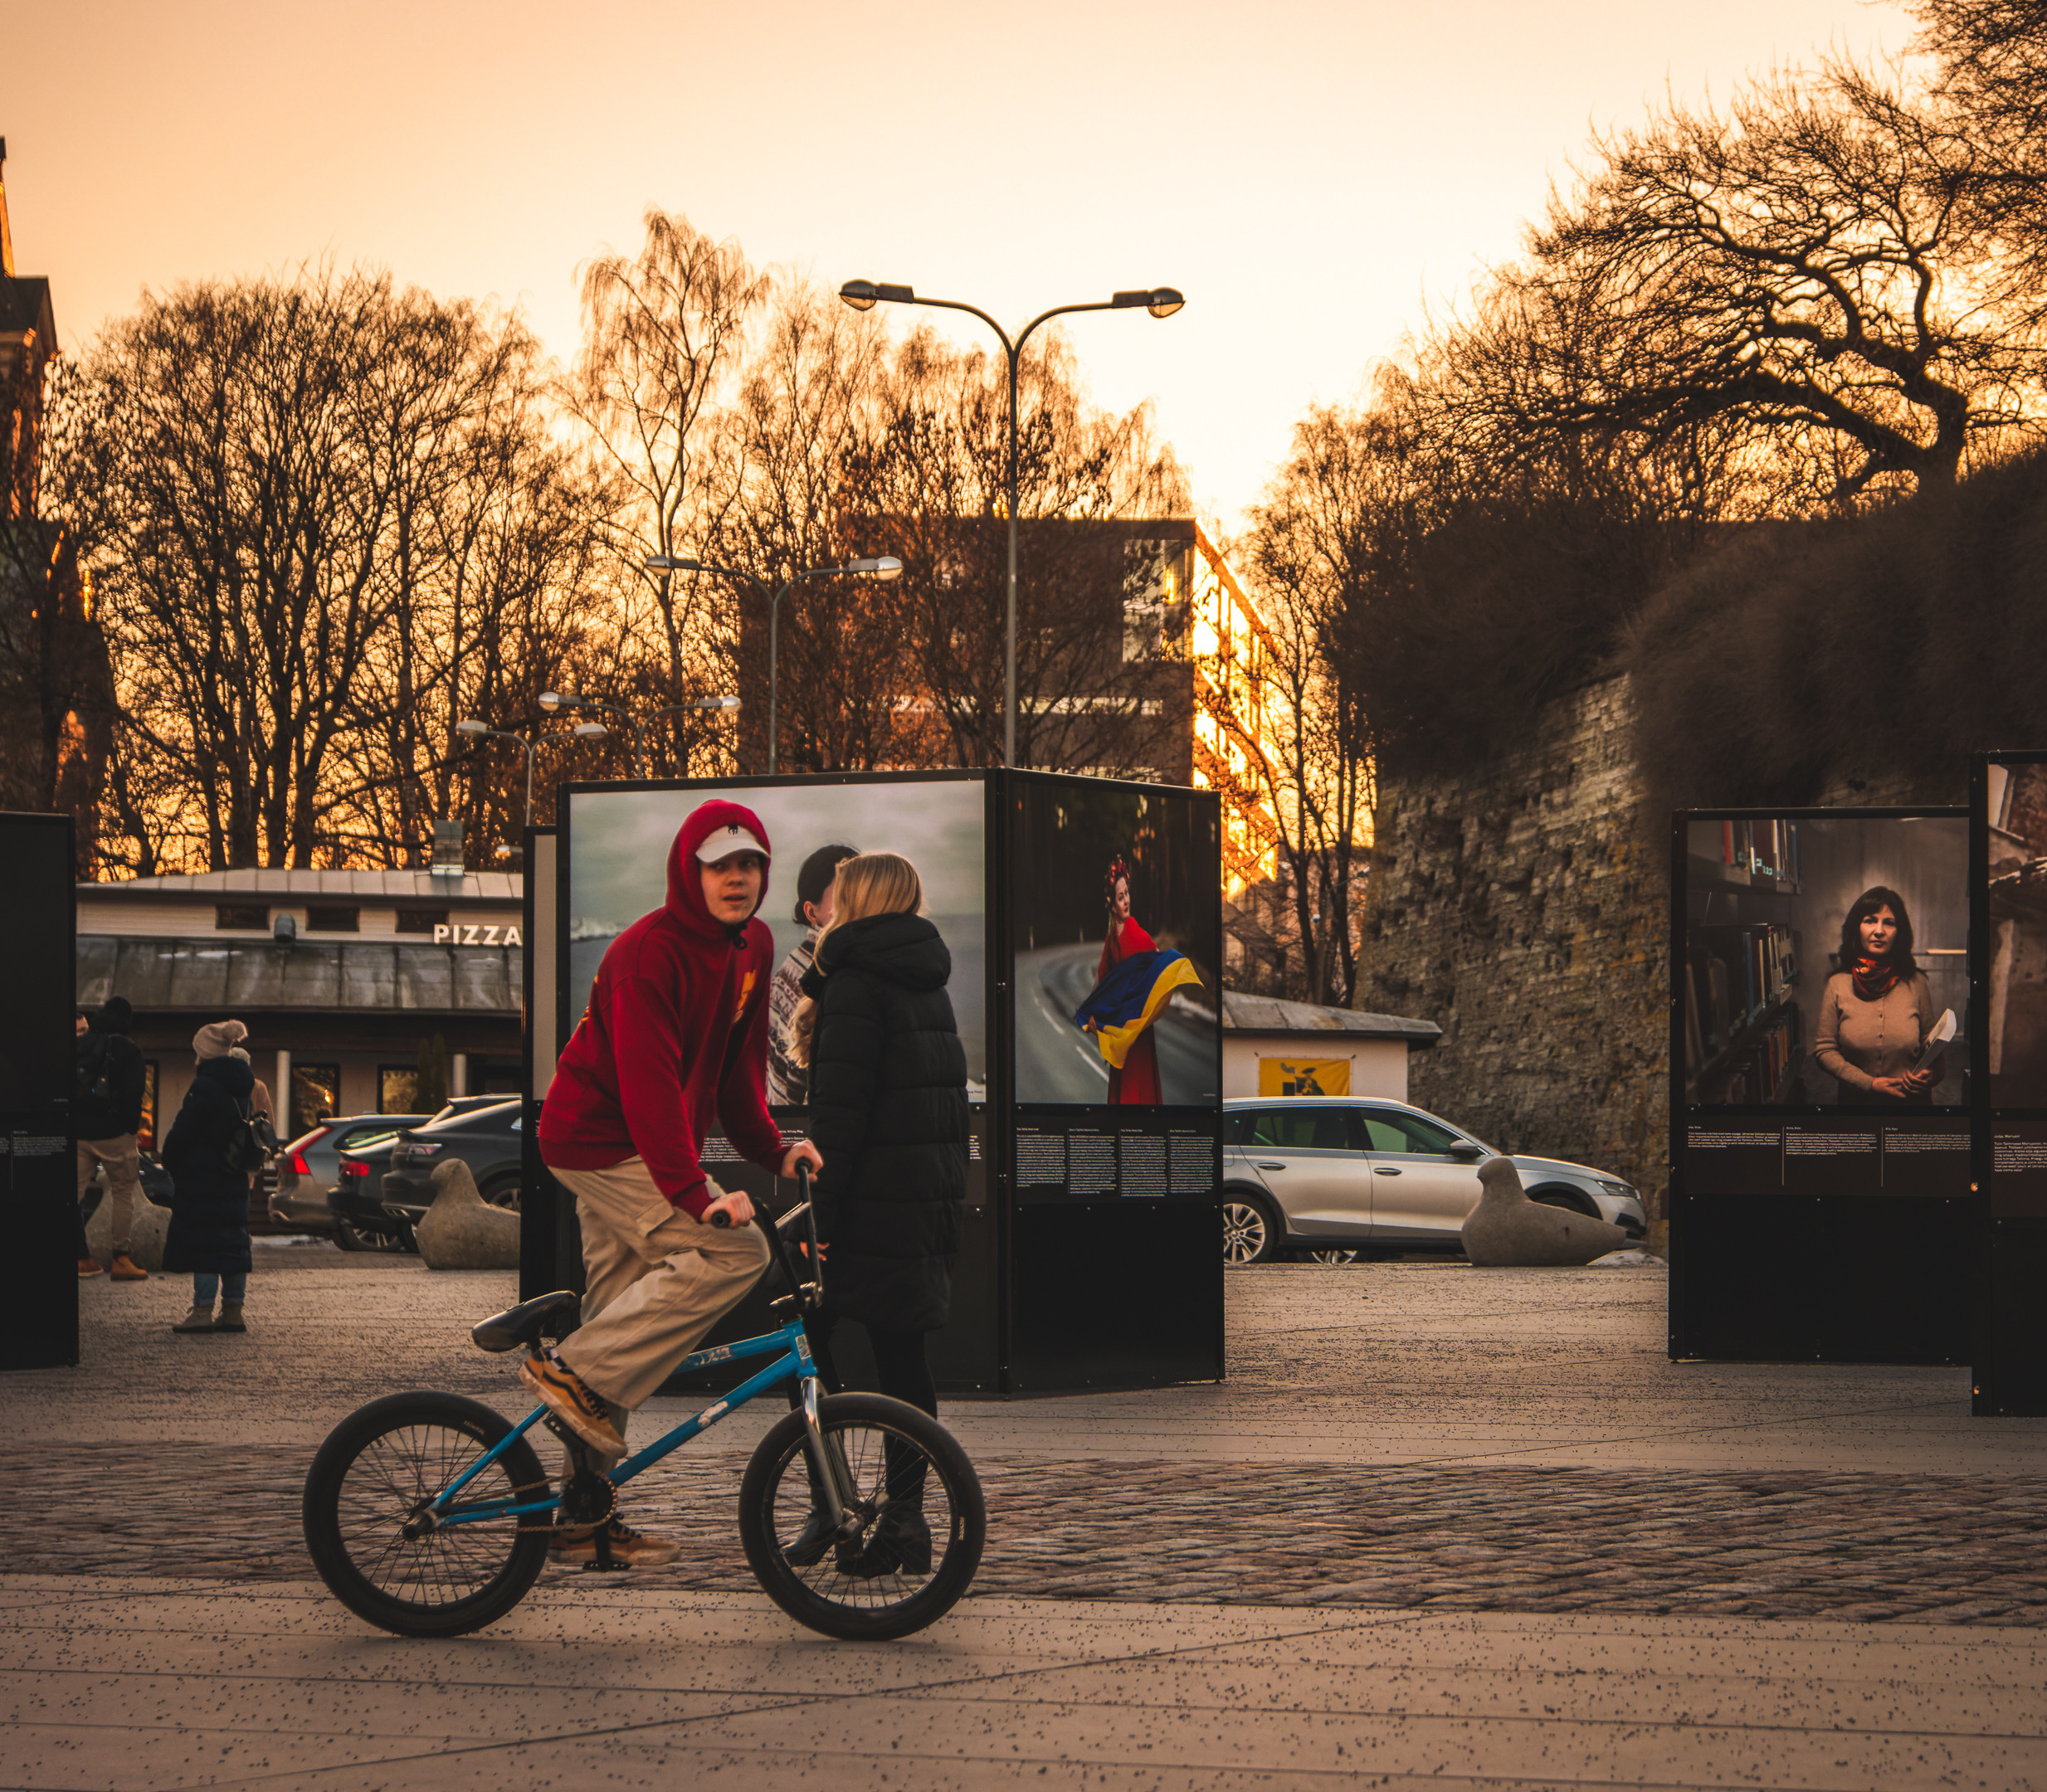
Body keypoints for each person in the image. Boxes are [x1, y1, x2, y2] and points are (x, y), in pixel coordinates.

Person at [534, 801, 822, 1567]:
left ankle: (582, 1517)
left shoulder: (752, 945)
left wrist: (771, 1149)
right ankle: (575, 1372)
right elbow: (649, 1092)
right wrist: (697, 1197)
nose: (738, 879)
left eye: (750, 864)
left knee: (618, 1324)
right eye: (720, 866)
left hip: (643, 1147)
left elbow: (735, 1072)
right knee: (737, 1253)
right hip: (595, 1142)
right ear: (687, 872)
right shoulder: (645, 958)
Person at [788, 850, 968, 1574]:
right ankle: (905, 1521)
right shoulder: (930, 983)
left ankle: (828, 1506)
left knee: (805, 1347)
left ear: (854, 902)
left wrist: (815, 1224)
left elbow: (839, 1118)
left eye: (837, 897)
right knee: (903, 1362)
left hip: (864, 1205)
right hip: (921, 1200)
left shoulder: (856, 983)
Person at [1075, 856, 1201, 1104]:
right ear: (1111, 901)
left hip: (1134, 1030)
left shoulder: (1130, 932)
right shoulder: (1115, 934)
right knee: (1131, 1090)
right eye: (1121, 896)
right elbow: (1102, 979)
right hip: (1126, 1032)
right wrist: (1093, 1014)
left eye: (1127, 894)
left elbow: (1156, 963)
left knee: (1132, 1091)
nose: (1127, 901)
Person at [161, 1020, 259, 1333]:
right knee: (232, 1244)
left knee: (205, 1245)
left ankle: (202, 1311)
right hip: (233, 1175)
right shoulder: (243, 1084)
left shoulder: (205, 1086)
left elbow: (183, 1132)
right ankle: (233, 1311)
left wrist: (170, 1159)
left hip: (204, 1177)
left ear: (204, 1053)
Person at [1813, 885, 1938, 1104]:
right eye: (1870, 920)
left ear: (1900, 932)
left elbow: (1934, 1046)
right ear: (1856, 928)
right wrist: (1867, 1083)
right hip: (1857, 1106)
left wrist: (1933, 1074)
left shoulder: (1916, 982)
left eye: (1889, 923)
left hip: (1911, 1106)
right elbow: (1824, 1050)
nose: (1879, 930)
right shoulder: (1838, 984)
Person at [768, 842, 860, 1107]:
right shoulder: (828, 973)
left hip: (779, 1116)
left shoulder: (793, 961)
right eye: (844, 893)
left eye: (862, 889)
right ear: (812, 912)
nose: (859, 902)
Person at [76, 996, 151, 1282]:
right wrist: (130, 1129)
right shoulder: (128, 1049)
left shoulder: (80, 1045)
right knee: (122, 1195)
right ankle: (121, 1259)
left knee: (72, 1195)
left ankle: (72, 1254)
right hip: (115, 1135)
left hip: (81, 1134)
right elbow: (134, 1096)